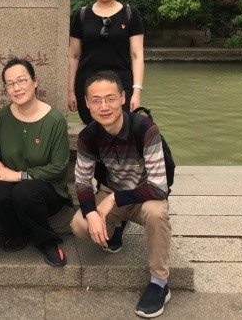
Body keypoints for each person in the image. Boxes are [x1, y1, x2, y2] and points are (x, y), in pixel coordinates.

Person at [70, 70, 171, 318]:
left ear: (123, 98)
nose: (104, 107)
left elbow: (159, 187)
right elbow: (82, 181)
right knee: (80, 225)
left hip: (145, 196)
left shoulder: (145, 129)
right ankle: (116, 226)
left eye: (110, 98)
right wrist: (91, 213)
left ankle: (160, 283)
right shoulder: (88, 136)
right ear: (87, 103)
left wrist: (115, 199)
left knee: (157, 213)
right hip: (110, 190)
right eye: (96, 100)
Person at [0, 57, 70, 267]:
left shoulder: (55, 120)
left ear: (35, 81)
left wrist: (19, 176)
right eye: (10, 84)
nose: (17, 88)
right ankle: (18, 232)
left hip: (46, 190)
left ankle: (47, 241)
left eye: (22, 80)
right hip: (12, 185)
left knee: (25, 192)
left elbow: (58, 168)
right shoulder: (4, 116)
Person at [68, 0, 145, 124]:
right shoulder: (81, 16)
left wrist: (137, 92)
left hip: (121, 88)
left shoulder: (130, 14)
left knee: (120, 129)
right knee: (92, 130)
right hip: (87, 88)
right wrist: (70, 91)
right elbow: (73, 56)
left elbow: (137, 55)